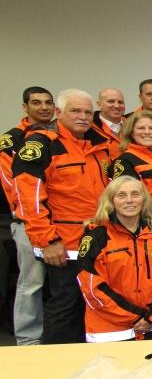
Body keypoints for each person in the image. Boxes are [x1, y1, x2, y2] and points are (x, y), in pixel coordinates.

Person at [13, 88, 113, 343]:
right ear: (58, 112)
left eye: (88, 112)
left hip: (97, 242)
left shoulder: (100, 145)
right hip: (64, 245)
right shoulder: (41, 145)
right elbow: (29, 198)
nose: (83, 117)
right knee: (65, 305)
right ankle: (57, 359)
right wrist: (47, 241)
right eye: (75, 111)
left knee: (92, 304)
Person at [76, 177, 152, 342]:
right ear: (111, 200)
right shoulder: (96, 238)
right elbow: (91, 288)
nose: (130, 200)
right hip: (112, 330)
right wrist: (135, 317)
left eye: (135, 194)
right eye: (121, 195)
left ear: (144, 199)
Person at [1, 87, 54, 345]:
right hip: (29, 221)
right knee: (31, 284)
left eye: (48, 103)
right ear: (25, 107)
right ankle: (28, 340)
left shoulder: (59, 135)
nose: (43, 108)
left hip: (59, 221)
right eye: (36, 103)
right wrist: (30, 215)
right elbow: (10, 182)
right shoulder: (12, 139)